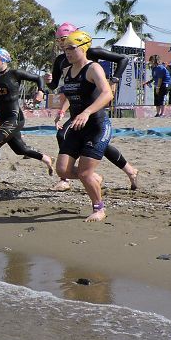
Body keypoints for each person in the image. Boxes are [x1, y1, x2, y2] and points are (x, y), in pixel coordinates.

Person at [46, 22, 138, 190]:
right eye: (59, 40)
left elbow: (123, 59)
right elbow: (68, 88)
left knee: (73, 137)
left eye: (66, 40)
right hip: (77, 108)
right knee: (94, 143)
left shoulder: (92, 54)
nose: (62, 45)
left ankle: (72, 177)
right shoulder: (61, 60)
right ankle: (128, 171)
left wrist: (115, 79)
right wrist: (51, 86)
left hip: (94, 108)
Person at [54, 31, 114, 222]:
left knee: (84, 173)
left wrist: (87, 112)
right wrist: (62, 112)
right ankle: (94, 179)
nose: (67, 52)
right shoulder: (67, 71)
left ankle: (99, 208)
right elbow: (70, 96)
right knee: (62, 170)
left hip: (97, 127)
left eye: (71, 48)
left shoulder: (93, 68)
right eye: (65, 49)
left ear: (84, 47)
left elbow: (107, 94)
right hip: (77, 127)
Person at [0, 47, 54, 187]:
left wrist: (40, 92)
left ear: (3, 60)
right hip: (4, 119)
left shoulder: (15, 74)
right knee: (20, 150)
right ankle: (45, 158)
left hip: (15, 118)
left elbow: (38, 78)